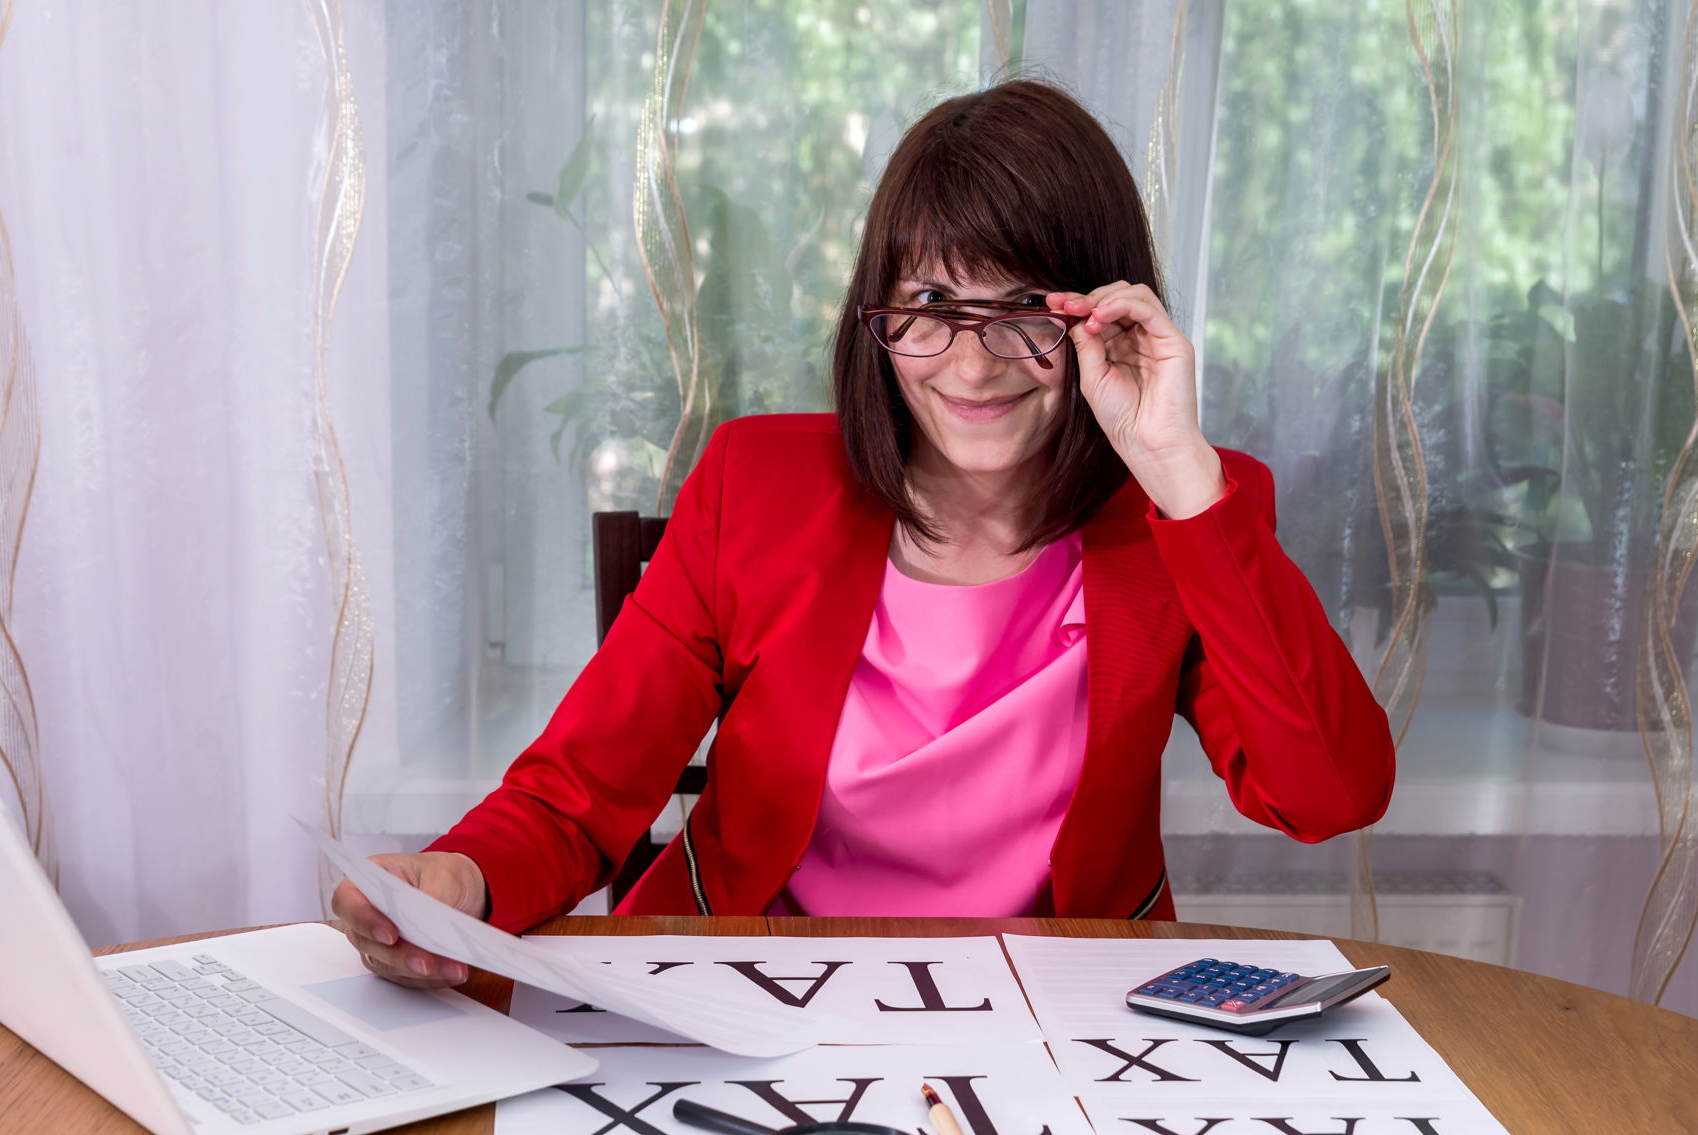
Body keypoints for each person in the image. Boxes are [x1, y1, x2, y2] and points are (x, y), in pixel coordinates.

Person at [333, 79, 1395, 988]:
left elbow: (1330, 793)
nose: (968, 365)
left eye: (1022, 307)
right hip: (751, 995)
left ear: (1100, 315)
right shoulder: (755, 484)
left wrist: (1178, 475)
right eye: (928, 300)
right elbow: (580, 790)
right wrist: (457, 879)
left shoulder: (1187, 510)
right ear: (874, 316)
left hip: (1061, 1021)